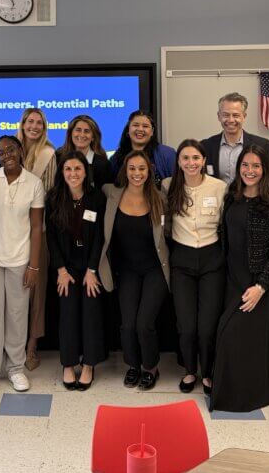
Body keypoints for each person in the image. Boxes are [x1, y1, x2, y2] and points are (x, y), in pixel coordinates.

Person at [210, 145, 269, 412]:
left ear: (265, 169)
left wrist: (261, 287)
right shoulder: (232, 196)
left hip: (258, 281)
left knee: (236, 334)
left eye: (256, 166)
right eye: (245, 165)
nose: (250, 171)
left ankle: (249, 394)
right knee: (228, 333)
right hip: (230, 279)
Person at [0, 136, 45, 394]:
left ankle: (16, 367)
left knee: (16, 314)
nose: (6, 154)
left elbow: (37, 226)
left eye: (11, 149)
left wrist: (34, 265)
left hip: (21, 259)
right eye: (1, 151)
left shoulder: (34, 183)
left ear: (20, 150)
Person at [99, 150, 169, 391]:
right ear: (125, 171)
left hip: (155, 269)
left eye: (142, 169)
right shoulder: (111, 194)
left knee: (144, 323)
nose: (137, 173)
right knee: (127, 324)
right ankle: (133, 365)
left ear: (149, 171)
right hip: (127, 270)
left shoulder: (160, 198)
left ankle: (150, 367)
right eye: (132, 169)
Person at [162, 140, 226, 394]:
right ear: (178, 162)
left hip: (212, 259)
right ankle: (190, 371)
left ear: (203, 160)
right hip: (182, 260)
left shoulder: (219, 187)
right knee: (186, 325)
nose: (191, 163)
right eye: (185, 158)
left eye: (196, 158)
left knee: (207, 326)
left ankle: (208, 373)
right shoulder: (168, 186)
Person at [46, 151, 107, 390]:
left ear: (85, 172)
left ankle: (90, 364)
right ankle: (69, 364)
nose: (73, 174)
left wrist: (92, 270)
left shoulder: (96, 198)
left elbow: (101, 236)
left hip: (91, 265)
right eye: (68, 169)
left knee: (91, 312)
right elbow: (50, 237)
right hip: (66, 267)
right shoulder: (54, 198)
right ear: (62, 172)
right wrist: (60, 270)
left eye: (78, 169)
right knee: (68, 313)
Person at [16, 108, 57, 371]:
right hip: (9, 234)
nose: (34, 126)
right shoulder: (11, 150)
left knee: (36, 293)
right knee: (13, 292)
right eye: (30, 121)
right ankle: (13, 346)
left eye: (39, 122)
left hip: (38, 232)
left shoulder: (49, 154)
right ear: (22, 124)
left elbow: (50, 194)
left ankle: (31, 346)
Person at [200, 92, 269, 184]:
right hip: (218, 198)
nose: (231, 120)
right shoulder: (205, 146)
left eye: (236, 115)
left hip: (252, 198)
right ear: (219, 116)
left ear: (244, 116)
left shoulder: (263, 145)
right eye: (226, 115)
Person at [109, 111, 176, 181]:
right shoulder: (116, 158)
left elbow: (176, 185)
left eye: (145, 126)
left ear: (152, 131)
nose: (140, 129)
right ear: (128, 129)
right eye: (136, 125)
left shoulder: (168, 154)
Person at [56, 114, 113, 189]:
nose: (82, 135)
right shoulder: (59, 157)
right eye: (78, 130)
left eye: (87, 131)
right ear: (70, 134)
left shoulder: (103, 165)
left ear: (93, 137)